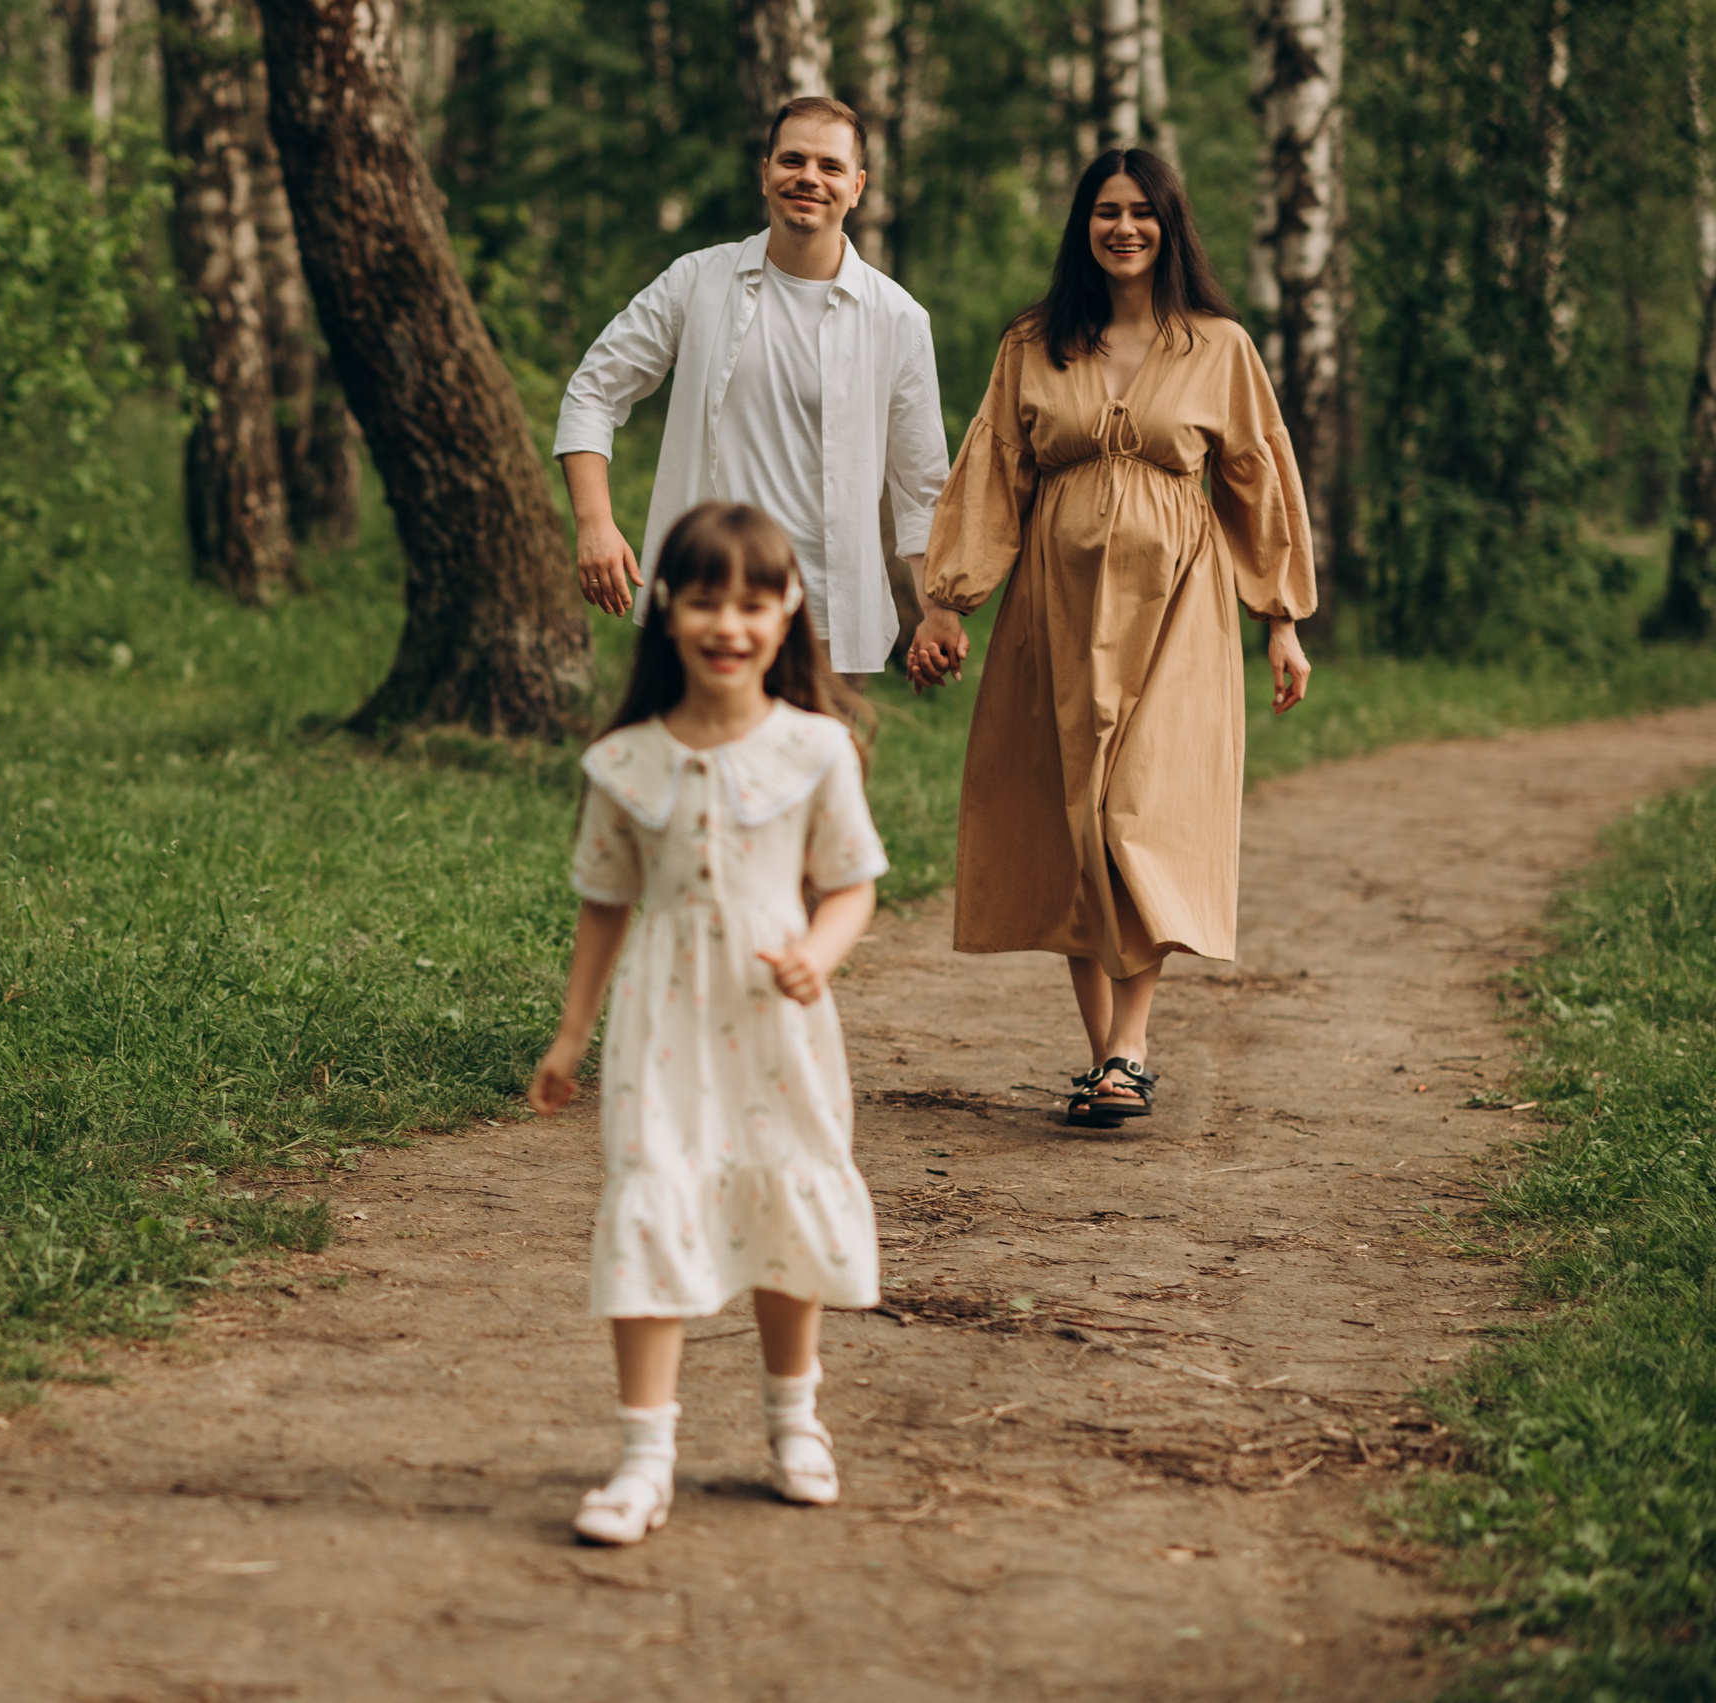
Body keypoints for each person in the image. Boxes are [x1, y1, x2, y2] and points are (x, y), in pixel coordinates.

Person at [906, 149, 1316, 1128]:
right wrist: (945, 600)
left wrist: (1282, 621)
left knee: (1141, 811)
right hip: (1055, 609)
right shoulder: (1035, 343)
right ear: (1081, 227)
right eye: (1105, 211)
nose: (1123, 227)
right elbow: (994, 467)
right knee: (1071, 816)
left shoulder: (1218, 347)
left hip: (1179, 610)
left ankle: (1130, 1040)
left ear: (1170, 227)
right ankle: (1109, 1058)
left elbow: (1259, 478)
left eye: (1142, 212)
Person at [529, 502, 889, 1547]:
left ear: (787, 613)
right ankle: (644, 1458)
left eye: (750, 601)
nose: (727, 624)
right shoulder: (624, 762)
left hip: (778, 1019)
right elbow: (603, 903)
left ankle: (795, 1423)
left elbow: (852, 885)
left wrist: (816, 957)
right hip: (663, 1020)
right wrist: (570, 1034)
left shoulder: (815, 750)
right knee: (653, 1200)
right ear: (665, 611)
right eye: (703, 600)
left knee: (778, 1197)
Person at [554, 96, 950, 685]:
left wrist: (937, 613)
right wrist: (595, 523)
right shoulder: (696, 282)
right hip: (703, 605)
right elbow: (593, 391)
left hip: (827, 623)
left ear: (858, 186)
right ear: (765, 171)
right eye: (793, 160)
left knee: (816, 778)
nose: (809, 177)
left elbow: (922, 490)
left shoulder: (897, 318)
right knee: (695, 774)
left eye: (830, 166)